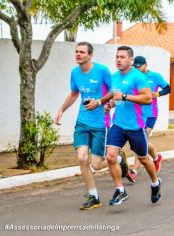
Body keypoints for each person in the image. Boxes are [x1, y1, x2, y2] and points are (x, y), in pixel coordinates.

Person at [54, 42, 128, 210]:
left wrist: (100, 102)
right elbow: (74, 94)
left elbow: (113, 90)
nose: (78, 54)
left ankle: (118, 158)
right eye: (76, 52)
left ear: (90, 55)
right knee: (81, 158)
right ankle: (93, 196)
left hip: (100, 123)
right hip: (82, 121)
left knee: (96, 165)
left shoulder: (102, 71)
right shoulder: (75, 72)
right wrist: (61, 110)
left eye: (82, 52)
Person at [106, 46, 162, 205]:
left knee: (144, 159)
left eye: (122, 57)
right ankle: (120, 191)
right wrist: (111, 104)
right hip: (118, 125)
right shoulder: (114, 77)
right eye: (117, 56)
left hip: (136, 126)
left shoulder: (138, 77)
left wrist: (124, 96)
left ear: (131, 60)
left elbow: (147, 98)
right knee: (110, 156)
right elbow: (115, 96)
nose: (118, 59)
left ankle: (155, 183)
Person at [126, 56, 171, 183]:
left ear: (146, 65)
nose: (138, 68)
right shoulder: (132, 77)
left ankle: (133, 171)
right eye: (136, 66)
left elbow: (168, 88)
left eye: (140, 66)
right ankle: (156, 157)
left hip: (150, 114)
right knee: (140, 142)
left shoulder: (155, 76)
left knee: (141, 142)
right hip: (136, 114)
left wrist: (157, 94)